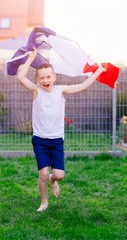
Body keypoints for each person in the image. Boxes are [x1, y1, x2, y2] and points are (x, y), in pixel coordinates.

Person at [17, 48, 106, 212]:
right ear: (37, 80)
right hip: (40, 140)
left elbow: (83, 85)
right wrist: (30, 58)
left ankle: (53, 180)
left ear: (54, 77)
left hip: (57, 140)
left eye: (48, 76)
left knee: (59, 175)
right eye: (42, 77)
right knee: (42, 173)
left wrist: (99, 71)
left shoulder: (60, 90)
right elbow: (21, 77)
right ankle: (44, 202)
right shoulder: (36, 91)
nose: (45, 80)